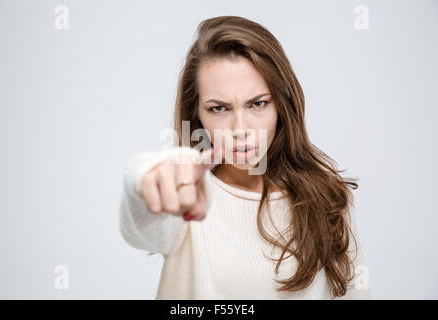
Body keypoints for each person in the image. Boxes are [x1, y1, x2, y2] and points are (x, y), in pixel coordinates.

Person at [119, 15, 372, 300]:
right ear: (197, 115)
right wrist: (145, 179)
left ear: (282, 105)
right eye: (219, 109)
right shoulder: (188, 201)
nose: (241, 130)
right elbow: (143, 220)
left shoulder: (328, 199)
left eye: (258, 104)